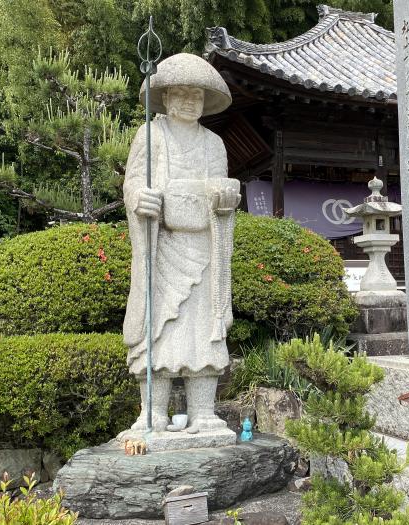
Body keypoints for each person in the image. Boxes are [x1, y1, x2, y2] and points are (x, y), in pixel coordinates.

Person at [123, 53, 240, 433]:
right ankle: (152, 413)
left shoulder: (215, 145)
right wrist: (139, 197)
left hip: (204, 248)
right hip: (162, 244)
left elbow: (222, 189)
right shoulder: (150, 134)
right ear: (166, 97)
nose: (190, 100)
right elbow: (133, 183)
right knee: (158, 328)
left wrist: (225, 198)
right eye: (182, 93)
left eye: (197, 94)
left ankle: (204, 412)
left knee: (204, 329)